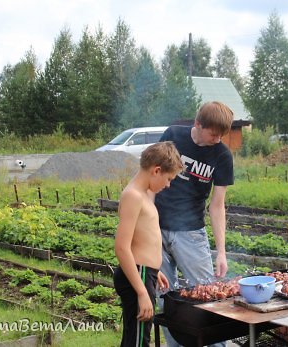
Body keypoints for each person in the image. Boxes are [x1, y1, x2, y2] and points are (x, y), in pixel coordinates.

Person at [155, 101, 234, 347]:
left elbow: (217, 205)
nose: (218, 139)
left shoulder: (221, 155)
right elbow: (151, 176)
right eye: (214, 133)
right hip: (155, 230)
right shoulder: (173, 136)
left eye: (222, 134)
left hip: (191, 233)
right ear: (198, 124)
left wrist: (221, 252)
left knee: (207, 298)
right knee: (164, 299)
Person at [114, 141, 184, 347]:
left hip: (146, 273)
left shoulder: (143, 195)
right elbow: (121, 247)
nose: (168, 184)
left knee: (135, 337)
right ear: (156, 170)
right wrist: (142, 292)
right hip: (138, 276)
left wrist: (155, 271)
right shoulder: (133, 196)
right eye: (169, 179)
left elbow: (141, 239)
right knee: (138, 341)